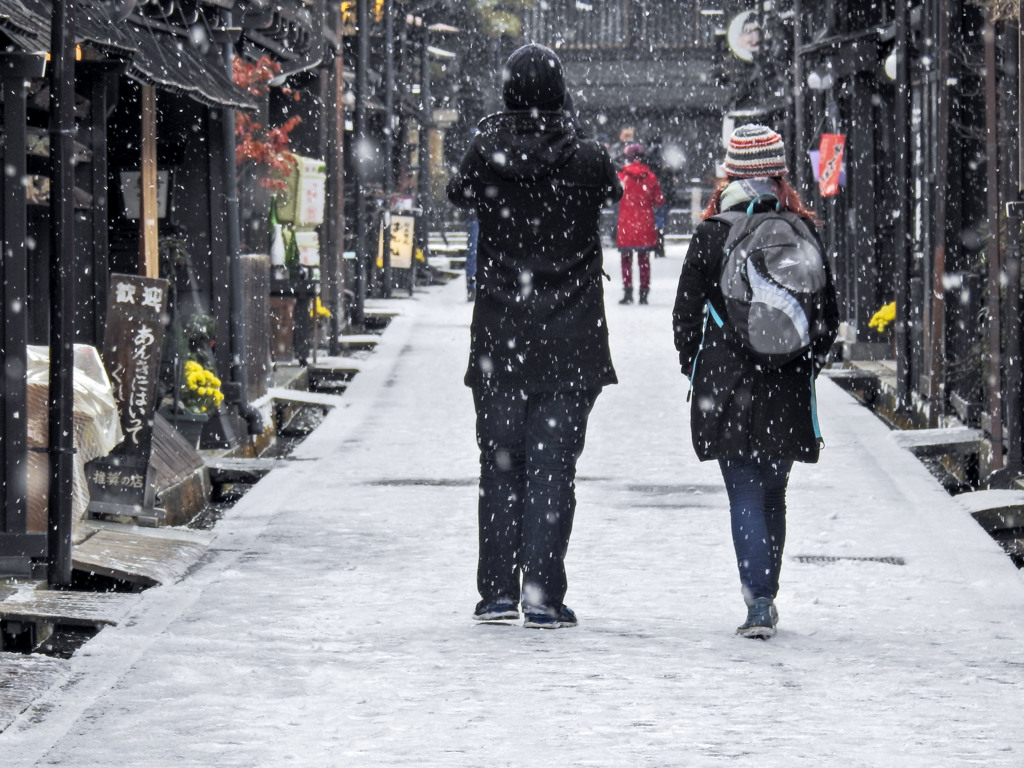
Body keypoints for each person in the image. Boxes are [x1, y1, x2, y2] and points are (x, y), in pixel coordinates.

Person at [446, 43, 622, 629]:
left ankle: (496, 590)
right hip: (572, 335)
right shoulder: (590, 159)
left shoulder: (486, 153)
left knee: (499, 464)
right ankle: (542, 593)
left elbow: (458, 194)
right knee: (553, 468)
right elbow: (610, 195)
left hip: (501, 330)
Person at [671, 124, 839, 639]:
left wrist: (692, 363)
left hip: (727, 378)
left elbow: (685, 313)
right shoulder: (801, 228)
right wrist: (803, 359)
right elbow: (829, 315)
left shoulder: (711, 232)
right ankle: (768, 596)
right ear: (779, 172)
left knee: (742, 488)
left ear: (731, 173)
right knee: (773, 490)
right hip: (786, 378)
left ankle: (757, 601)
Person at [616, 143, 664, 305]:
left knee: (626, 260)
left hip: (626, 224)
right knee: (644, 260)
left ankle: (628, 292)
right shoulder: (650, 177)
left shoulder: (622, 177)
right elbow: (659, 201)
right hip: (645, 224)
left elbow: (614, 196)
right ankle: (644, 293)